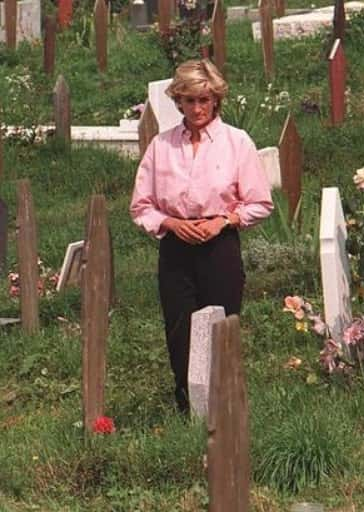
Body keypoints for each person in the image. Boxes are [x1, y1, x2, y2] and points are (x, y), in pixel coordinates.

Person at [130, 59, 273, 413]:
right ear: (178, 101)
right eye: (190, 100)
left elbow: (260, 202)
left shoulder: (236, 142)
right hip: (176, 248)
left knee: (222, 327)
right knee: (180, 329)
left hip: (219, 245)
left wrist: (224, 221)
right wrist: (171, 224)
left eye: (204, 100)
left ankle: (226, 409)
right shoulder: (161, 147)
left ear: (216, 101)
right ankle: (189, 408)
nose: (197, 108)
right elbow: (141, 207)